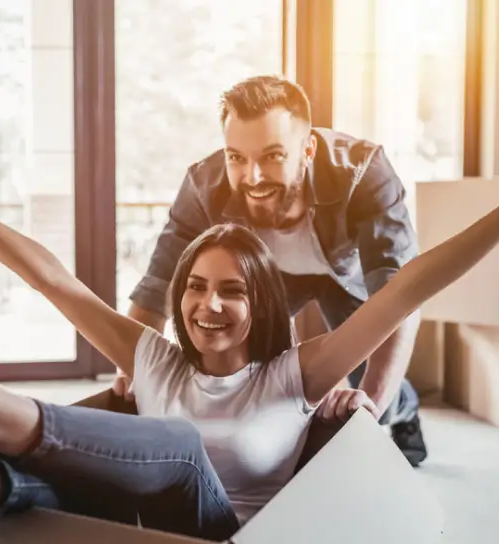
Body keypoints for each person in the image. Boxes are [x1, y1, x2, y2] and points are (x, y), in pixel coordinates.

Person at [0, 122, 499, 544]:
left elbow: (410, 285)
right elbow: (50, 277)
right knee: (39, 484)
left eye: (230, 291)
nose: (207, 305)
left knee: (180, 444)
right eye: (195, 287)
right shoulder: (153, 357)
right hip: (127, 532)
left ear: (261, 304)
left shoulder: (296, 375)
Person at [113, 74, 427, 466]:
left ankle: (405, 409)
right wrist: (131, 369)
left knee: (371, 372)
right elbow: (157, 284)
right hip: (268, 278)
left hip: (344, 274)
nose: (253, 176)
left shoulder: (365, 171)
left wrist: (372, 409)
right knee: (256, 364)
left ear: (308, 149)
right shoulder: (202, 185)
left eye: (273, 156)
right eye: (237, 158)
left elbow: (400, 296)